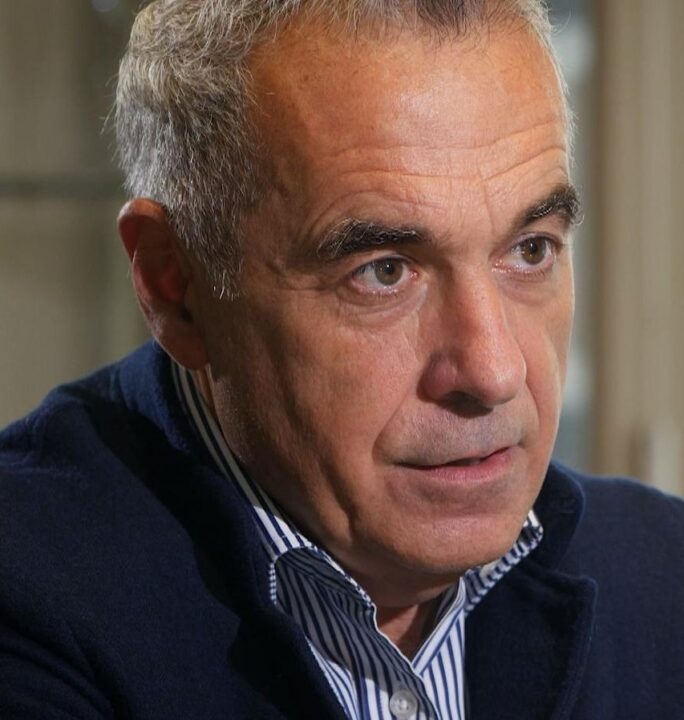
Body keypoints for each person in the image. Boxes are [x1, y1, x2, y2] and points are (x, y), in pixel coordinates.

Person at [1, 0, 683, 718]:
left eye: (530, 249)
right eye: (384, 272)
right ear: (178, 288)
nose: (493, 372)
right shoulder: (29, 602)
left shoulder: (662, 577)